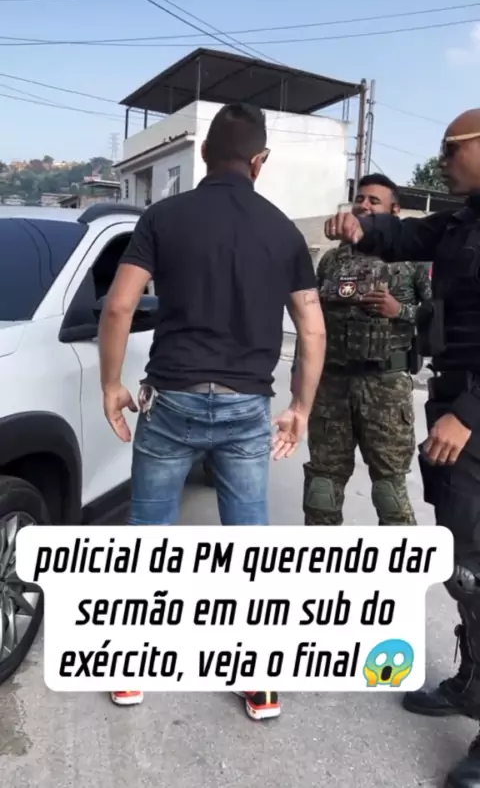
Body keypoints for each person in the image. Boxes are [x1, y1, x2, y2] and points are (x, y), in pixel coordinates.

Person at [98, 102, 326, 721]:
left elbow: (118, 306)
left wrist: (111, 384)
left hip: (171, 396)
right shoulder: (283, 231)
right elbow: (311, 328)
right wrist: (300, 407)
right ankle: (260, 680)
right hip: (247, 403)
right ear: (260, 161)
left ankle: (129, 670)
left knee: (148, 532)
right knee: (249, 542)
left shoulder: (163, 217)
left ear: (202, 155)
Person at [324, 108, 480, 788]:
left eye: (451, 149)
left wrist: (469, 414)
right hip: (451, 401)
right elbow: (407, 233)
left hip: (470, 411)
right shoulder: (462, 220)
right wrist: (363, 227)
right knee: (464, 565)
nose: (441, 160)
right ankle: (471, 683)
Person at [292, 173, 431, 527]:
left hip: (385, 389)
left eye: (374, 201)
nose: (364, 205)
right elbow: (312, 324)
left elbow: (438, 316)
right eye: (360, 199)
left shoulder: (412, 260)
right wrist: (300, 385)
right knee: (321, 489)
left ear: (394, 211)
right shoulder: (331, 261)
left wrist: (399, 310)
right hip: (332, 388)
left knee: (389, 493)